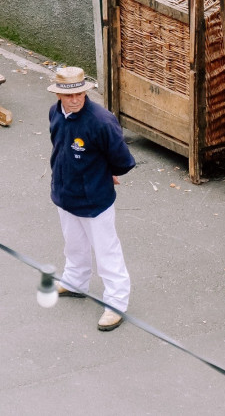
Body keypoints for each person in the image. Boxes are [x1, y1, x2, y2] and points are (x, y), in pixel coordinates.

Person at [48, 66, 135, 332]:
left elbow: (123, 160)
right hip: (65, 193)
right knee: (73, 244)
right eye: (68, 95)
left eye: (80, 94)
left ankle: (116, 303)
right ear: (58, 95)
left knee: (107, 252)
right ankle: (75, 282)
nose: (75, 100)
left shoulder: (101, 121)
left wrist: (107, 172)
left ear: (85, 92)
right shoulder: (54, 113)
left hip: (95, 200)